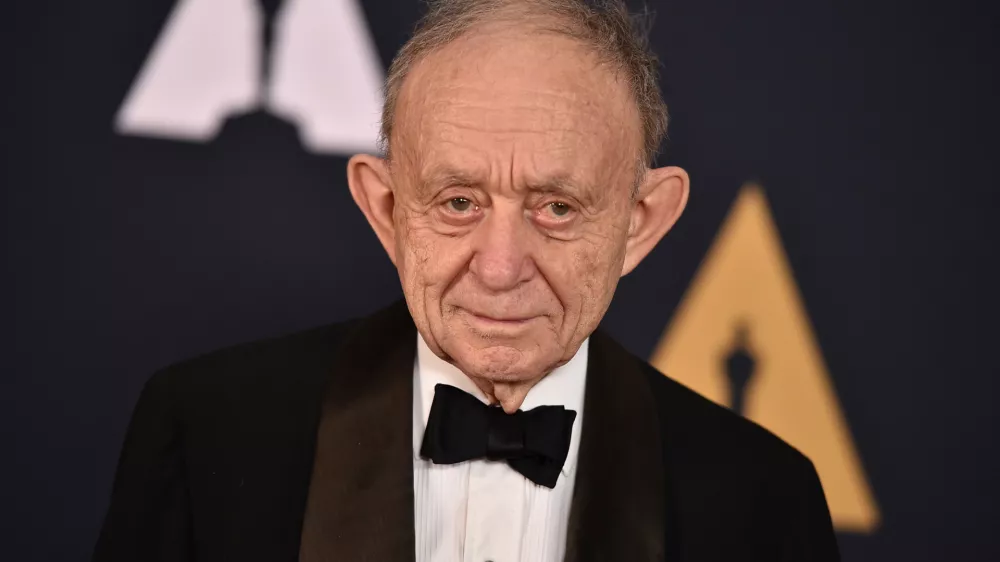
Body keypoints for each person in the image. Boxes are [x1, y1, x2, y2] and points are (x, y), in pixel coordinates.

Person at [93, 0, 839, 560]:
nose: (501, 266)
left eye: (556, 207)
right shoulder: (204, 437)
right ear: (386, 210)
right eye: (457, 202)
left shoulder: (763, 500)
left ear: (640, 221)